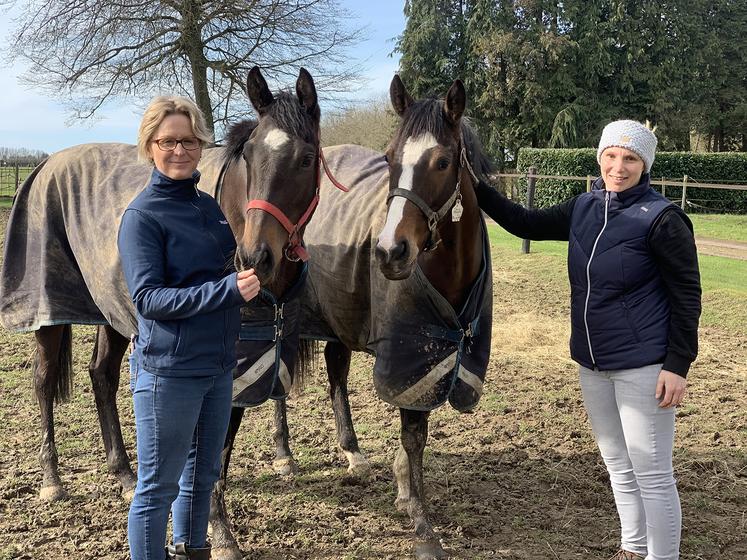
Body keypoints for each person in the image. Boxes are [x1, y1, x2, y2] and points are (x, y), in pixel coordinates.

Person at [475, 120, 701, 560]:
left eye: (631, 158)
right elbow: (525, 222)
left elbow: (687, 296)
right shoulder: (584, 206)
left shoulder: (662, 218)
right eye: (612, 155)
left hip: (644, 365)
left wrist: (677, 364)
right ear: (600, 157)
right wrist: (474, 183)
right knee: (618, 464)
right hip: (592, 362)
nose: (619, 166)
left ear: (645, 164)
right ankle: (633, 548)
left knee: (652, 473)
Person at [117, 96, 260, 560]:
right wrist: (228, 293)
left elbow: (226, 269)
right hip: (169, 372)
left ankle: (192, 551)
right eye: (168, 141)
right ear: (150, 146)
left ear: (201, 146)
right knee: (157, 487)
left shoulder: (208, 207)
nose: (180, 150)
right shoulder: (143, 217)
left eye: (189, 141)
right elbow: (149, 299)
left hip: (218, 367)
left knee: (202, 478)